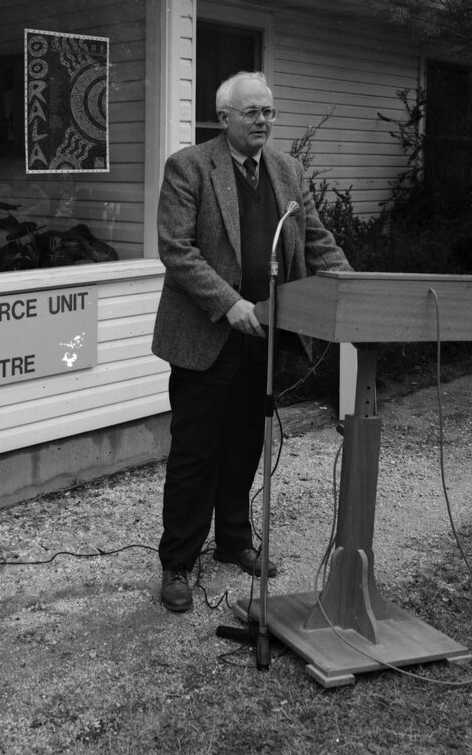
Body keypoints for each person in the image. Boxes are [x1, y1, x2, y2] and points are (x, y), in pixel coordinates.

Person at [151, 71, 351, 612]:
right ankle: (177, 563)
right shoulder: (190, 167)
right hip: (205, 336)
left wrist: (352, 287)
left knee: (245, 444)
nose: (263, 121)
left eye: (269, 112)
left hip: (263, 339)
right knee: (196, 452)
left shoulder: (287, 170)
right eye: (252, 113)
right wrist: (229, 303)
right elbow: (177, 249)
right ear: (225, 118)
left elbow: (314, 239)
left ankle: (234, 540)